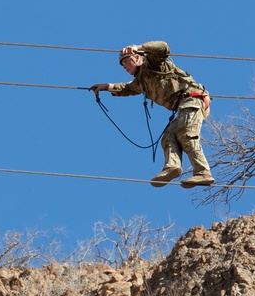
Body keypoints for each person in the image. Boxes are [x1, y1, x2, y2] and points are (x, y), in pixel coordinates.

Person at [90, 41, 213, 188]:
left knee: (186, 134)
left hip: (192, 99)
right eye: (123, 66)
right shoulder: (140, 82)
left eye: (126, 62)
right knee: (168, 137)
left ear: (137, 58)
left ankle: (202, 172)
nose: (125, 67)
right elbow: (126, 88)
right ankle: (172, 167)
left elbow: (163, 47)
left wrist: (139, 47)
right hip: (184, 106)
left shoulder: (153, 64)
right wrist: (107, 87)